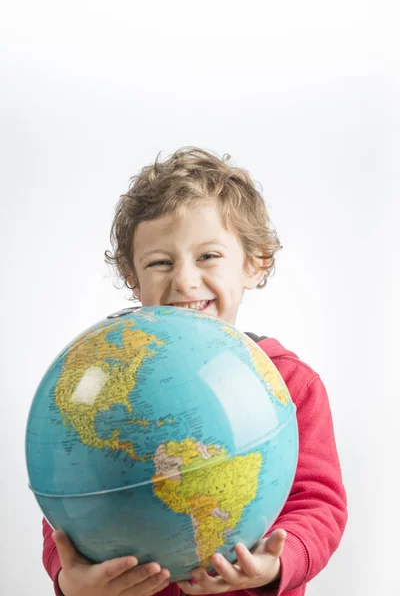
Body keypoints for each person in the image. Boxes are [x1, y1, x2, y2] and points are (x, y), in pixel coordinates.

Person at [42, 147, 347, 596]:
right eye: (160, 262)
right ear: (132, 275)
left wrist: (278, 563)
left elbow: (318, 503)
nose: (185, 280)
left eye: (208, 256)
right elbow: (65, 497)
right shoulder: (102, 380)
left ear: (254, 262)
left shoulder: (288, 384)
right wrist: (70, 580)